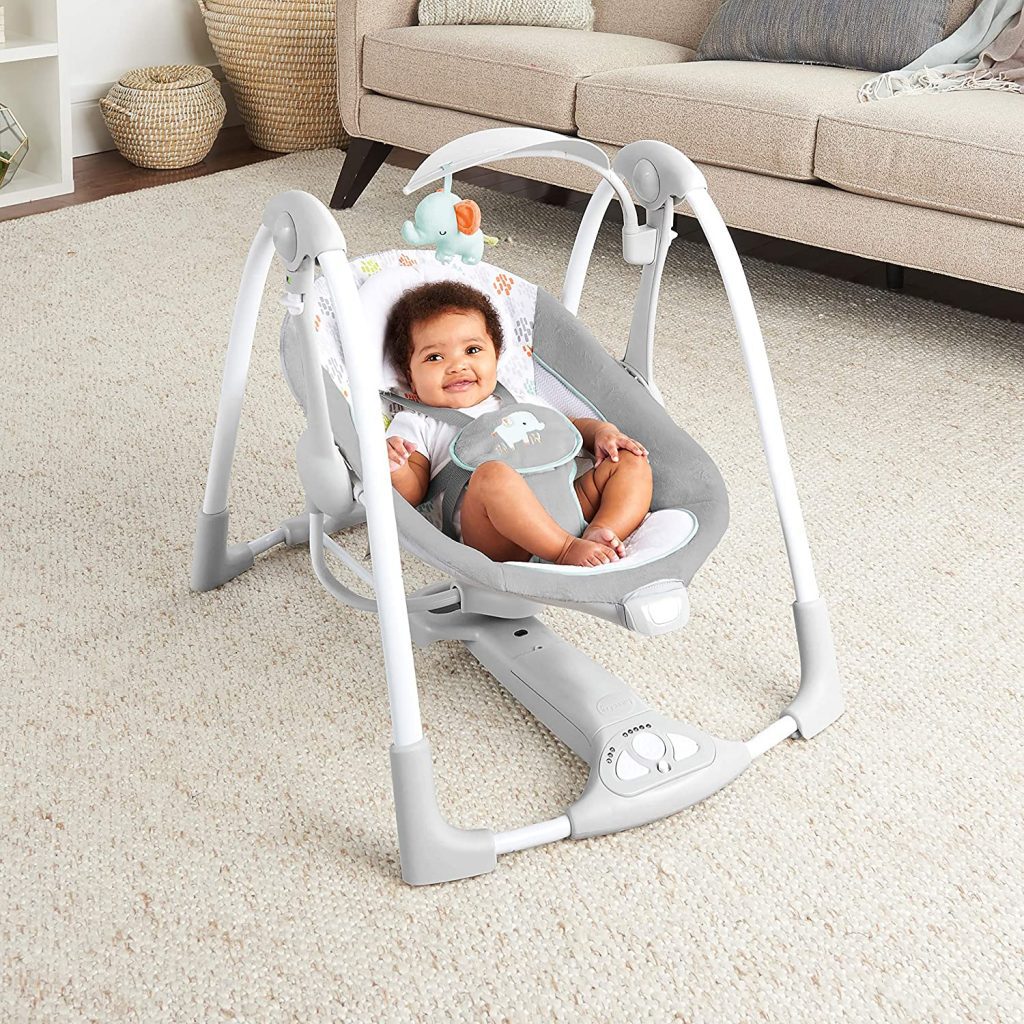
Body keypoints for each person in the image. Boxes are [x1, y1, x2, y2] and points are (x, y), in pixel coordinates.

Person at [383, 281, 652, 567]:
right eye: (434, 357)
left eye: (472, 350)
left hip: (568, 503)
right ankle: (564, 550)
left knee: (628, 459)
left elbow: (567, 426)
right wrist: (395, 466)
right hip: (497, 535)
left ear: (496, 356)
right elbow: (410, 494)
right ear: (410, 378)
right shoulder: (416, 422)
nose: (457, 365)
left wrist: (602, 432)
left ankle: (603, 530)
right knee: (491, 475)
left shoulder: (519, 398)